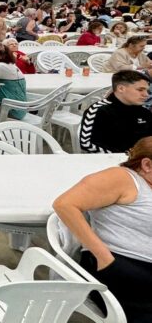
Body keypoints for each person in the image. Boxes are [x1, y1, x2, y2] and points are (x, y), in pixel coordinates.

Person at [52, 137, 152, 322]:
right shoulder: (123, 179)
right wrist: (104, 257)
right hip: (122, 266)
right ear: (146, 165)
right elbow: (65, 204)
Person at [80, 70, 152, 154]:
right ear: (121, 88)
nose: (146, 94)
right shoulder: (99, 110)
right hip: (109, 161)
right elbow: (87, 144)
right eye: (140, 90)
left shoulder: (143, 112)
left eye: (147, 90)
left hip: (141, 161)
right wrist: (127, 156)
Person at [0, 43, 27, 119]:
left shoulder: (0, 66)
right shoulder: (11, 65)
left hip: (9, 112)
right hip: (20, 110)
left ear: (1, 56)